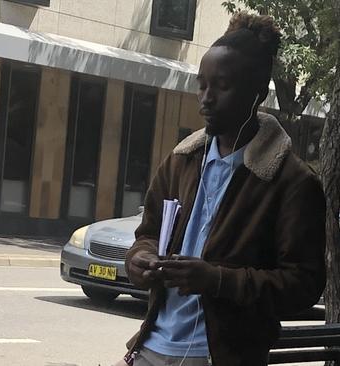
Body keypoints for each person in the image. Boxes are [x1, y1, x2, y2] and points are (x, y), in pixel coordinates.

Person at [122, 11, 326, 366]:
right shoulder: (181, 160)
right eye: (202, 84)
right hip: (152, 349)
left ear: (257, 93)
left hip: (223, 356)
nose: (206, 98)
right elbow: (149, 233)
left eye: (222, 86)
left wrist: (216, 280)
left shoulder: (292, 182)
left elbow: (303, 286)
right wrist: (140, 259)